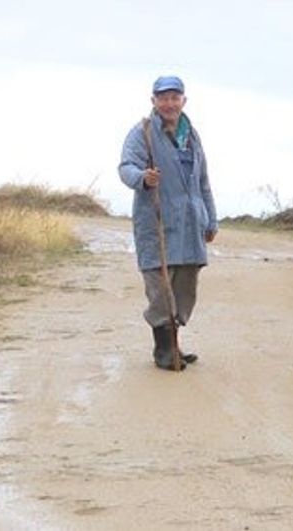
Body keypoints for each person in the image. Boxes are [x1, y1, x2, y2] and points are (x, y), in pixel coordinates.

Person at [118, 75, 218, 371]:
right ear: (154, 101)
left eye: (175, 97)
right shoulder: (143, 133)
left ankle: (174, 344)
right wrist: (142, 178)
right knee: (160, 289)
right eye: (163, 98)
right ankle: (163, 350)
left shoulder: (193, 136)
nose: (169, 103)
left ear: (183, 101)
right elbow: (126, 167)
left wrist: (210, 218)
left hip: (190, 225)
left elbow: (203, 182)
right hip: (157, 223)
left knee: (184, 289)